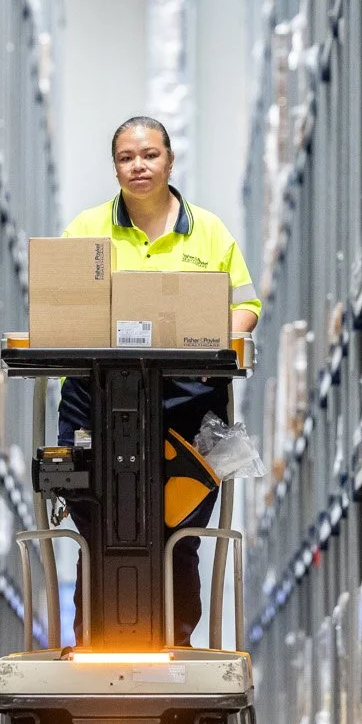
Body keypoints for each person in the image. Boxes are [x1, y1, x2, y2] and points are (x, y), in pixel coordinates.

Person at [57, 116, 262, 644]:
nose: (138, 166)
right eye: (126, 158)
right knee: (99, 526)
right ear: (116, 168)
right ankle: (95, 640)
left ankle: (176, 638)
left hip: (186, 402)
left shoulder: (209, 231)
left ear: (169, 160)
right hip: (98, 399)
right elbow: (59, 305)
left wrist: (206, 341)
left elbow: (246, 307)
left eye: (149, 155)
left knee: (180, 527)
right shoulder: (87, 229)